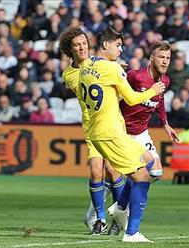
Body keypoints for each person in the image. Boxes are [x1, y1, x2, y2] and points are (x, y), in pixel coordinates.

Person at [79, 27, 165, 242]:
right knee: (142, 176)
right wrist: (153, 91)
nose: (120, 49)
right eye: (117, 45)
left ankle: (119, 207)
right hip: (110, 132)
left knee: (149, 162)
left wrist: (115, 69)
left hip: (99, 130)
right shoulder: (113, 70)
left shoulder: (87, 65)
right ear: (105, 45)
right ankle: (132, 232)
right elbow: (133, 99)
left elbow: (100, 76)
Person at [59, 27, 123, 235]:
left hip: (111, 124)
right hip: (91, 126)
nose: (82, 47)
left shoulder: (102, 63)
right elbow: (89, 84)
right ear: (70, 50)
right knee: (96, 170)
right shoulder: (70, 74)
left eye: (84, 43)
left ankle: (120, 217)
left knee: (113, 171)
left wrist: (115, 70)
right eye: (77, 45)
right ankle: (100, 219)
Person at [120, 40, 179, 179]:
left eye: (167, 58)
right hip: (122, 131)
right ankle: (102, 199)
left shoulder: (165, 81)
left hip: (141, 132)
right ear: (151, 58)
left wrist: (165, 123)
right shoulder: (135, 76)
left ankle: (121, 201)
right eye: (161, 57)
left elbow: (160, 100)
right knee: (115, 176)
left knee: (156, 172)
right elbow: (116, 87)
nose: (165, 62)